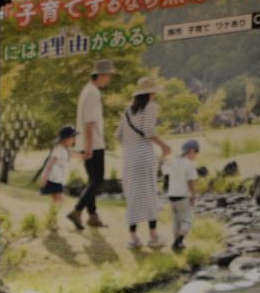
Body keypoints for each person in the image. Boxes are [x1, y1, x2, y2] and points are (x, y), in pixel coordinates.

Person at [120, 76, 172, 249]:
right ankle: (153, 236)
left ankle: (133, 238)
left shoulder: (127, 110)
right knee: (149, 194)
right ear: (151, 92)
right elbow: (148, 131)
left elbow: (118, 135)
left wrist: (132, 143)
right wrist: (164, 146)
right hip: (144, 156)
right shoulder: (151, 107)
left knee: (133, 196)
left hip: (129, 157)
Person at [66, 58, 115, 230]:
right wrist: (89, 148)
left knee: (92, 180)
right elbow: (89, 123)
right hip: (93, 144)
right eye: (108, 76)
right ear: (101, 75)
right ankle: (77, 211)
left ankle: (93, 216)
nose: (109, 80)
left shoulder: (86, 90)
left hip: (87, 142)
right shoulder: (93, 93)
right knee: (97, 180)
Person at [162, 137, 203, 249]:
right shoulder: (189, 164)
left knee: (176, 221)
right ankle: (179, 241)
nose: (196, 155)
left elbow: (164, 170)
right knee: (187, 220)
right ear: (191, 151)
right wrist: (193, 196)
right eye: (196, 152)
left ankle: (176, 242)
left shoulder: (173, 161)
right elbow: (190, 182)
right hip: (182, 196)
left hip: (172, 196)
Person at [35, 124, 76, 207]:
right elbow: (49, 163)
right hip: (53, 179)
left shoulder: (65, 149)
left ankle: (53, 215)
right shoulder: (58, 149)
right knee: (60, 200)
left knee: (57, 201)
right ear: (66, 138)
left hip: (58, 179)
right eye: (73, 137)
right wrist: (44, 177)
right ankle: (54, 215)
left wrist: (85, 156)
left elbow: (72, 155)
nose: (74, 139)